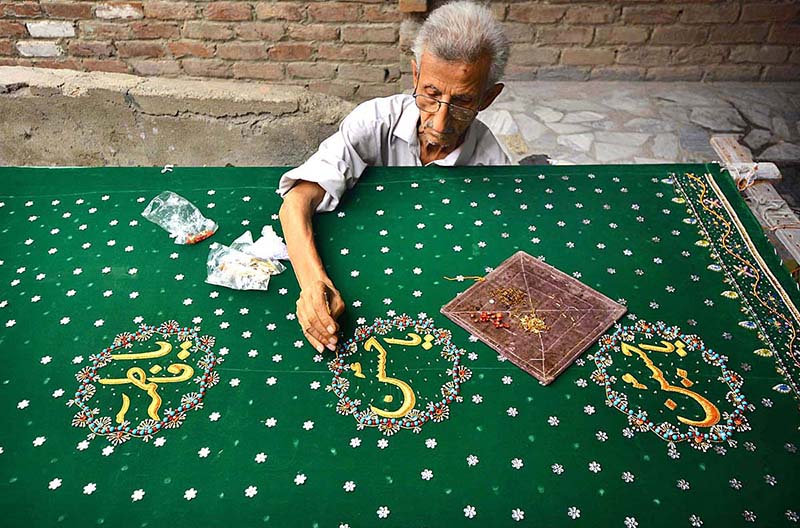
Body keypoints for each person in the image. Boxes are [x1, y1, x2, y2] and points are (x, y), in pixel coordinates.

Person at [277, 0, 510, 353]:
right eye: (430, 95)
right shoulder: (374, 122)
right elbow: (296, 202)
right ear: (415, 75)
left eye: (462, 102)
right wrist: (313, 284)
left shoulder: (492, 166)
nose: (440, 122)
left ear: (488, 98)